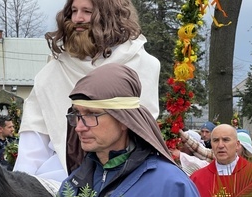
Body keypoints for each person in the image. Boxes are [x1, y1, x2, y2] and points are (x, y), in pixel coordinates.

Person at [3, 64, 216, 197]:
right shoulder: (77, 185)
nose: (78, 126)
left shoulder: (171, 185)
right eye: (77, 114)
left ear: (124, 120)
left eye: (91, 114)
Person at [13, 0, 160, 183]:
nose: (77, 18)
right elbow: (34, 137)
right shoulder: (53, 72)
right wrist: (22, 186)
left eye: (87, 11)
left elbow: (142, 132)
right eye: (73, 11)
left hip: (126, 177)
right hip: (57, 179)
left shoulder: (142, 65)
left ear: (110, 15)